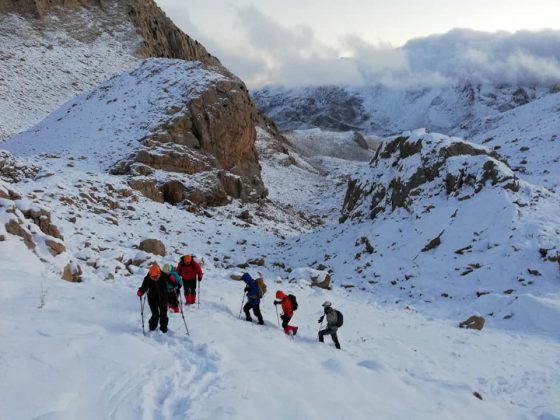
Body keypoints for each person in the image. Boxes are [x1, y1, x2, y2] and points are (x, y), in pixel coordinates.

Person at [136, 264, 173, 333]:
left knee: (163, 313)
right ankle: (152, 328)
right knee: (155, 314)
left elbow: (173, 283)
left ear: (159, 273)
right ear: (150, 274)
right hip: (152, 298)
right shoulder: (147, 278)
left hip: (163, 297)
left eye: (156, 276)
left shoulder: (163, 275)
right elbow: (144, 287)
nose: (155, 278)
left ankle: (163, 327)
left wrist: (172, 279)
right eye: (153, 277)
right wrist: (141, 291)